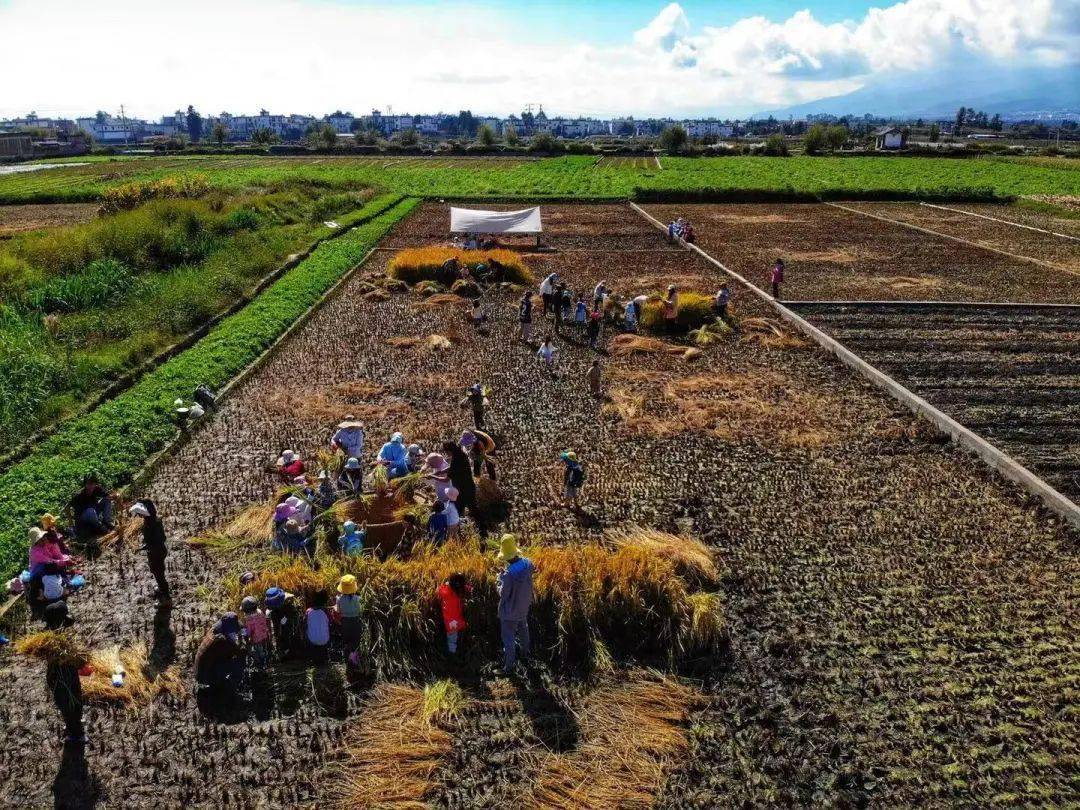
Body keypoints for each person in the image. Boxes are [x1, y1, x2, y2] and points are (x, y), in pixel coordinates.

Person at [43, 601, 85, 744]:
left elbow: (78, 660)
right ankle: (74, 727)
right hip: (63, 677)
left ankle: (76, 734)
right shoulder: (52, 642)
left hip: (63, 678)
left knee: (69, 704)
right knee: (71, 702)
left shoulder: (59, 640)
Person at [496, 534, 534, 676]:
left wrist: (499, 580)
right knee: (524, 629)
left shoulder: (508, 575)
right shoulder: (528, 563)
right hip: (523, 606)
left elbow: (503, 594)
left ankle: (508, 667)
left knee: (508, 638)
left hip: (509, 611)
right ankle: (525, 654)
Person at [129, 499, 170, 605]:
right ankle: (161, 589)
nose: (139, 516)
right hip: (157, 551)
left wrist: (145, 547)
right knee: (156, 572)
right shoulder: (152, 520)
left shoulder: (152, 524)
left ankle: (166, 598)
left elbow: (158, 539)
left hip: (157, 552)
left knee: (159, 574)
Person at [194, 613, 244, 697]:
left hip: (200, 670)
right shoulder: (220, 641)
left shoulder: (214, 631)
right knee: (238, 662)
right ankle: (229, 686)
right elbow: (235, 652)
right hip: (205, 676)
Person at [441, 441, 478, 526]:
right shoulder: (461, 454)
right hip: (468, 486)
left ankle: (459, 528)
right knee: (473, 508)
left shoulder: (456, 459)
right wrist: (440, 471)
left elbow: (446, 479)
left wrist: (433, 476)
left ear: (450, 450)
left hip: (462, 490)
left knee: (459, 510)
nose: (446, 454)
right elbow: (452, 468)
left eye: (446, 452)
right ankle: (478, 526)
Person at [69, 474, 113, 541]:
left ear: (95, 484)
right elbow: (68, 507)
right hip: (83, 517)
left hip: (94, 512)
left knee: (106, 500)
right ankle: (98, 527)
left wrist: (115, 496)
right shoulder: (79, 495)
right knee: (90, 510)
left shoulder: (97, 489)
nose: (91, 486)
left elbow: (108, 496)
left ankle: (107, 522)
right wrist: (71, 522)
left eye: (92, 484)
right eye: (88, 484)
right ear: (85, 484)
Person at [437, 573, 471, 657]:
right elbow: (467, 588)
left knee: (452, 638)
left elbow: (439, 591)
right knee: (454, 637)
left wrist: (445, 584)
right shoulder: (458, 591)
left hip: (451, 620)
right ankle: (454, 655)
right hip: (456, 619)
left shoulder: (446, 591)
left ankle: (453, 654)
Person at [265, 587, 302, 660]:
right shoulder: (275, 609)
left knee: (285, 633)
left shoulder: (287, 606)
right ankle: (285, 650)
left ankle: (285, 650)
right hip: (279, 618)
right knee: (281, 633)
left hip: (284, 618)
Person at [240, 596, 271, 669]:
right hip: (265, 635)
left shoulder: (249, 620)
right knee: (265, 649)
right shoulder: (260, 612)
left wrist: (245, 637)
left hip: (257, 639)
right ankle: (267, 661)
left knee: (259, 652)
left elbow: (248, 632)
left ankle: (261, 666)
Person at [335, 575, 363, 651]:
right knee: (355, 640)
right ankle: (354, 655)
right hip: (356, 621)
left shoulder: (339, 599)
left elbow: (338, 611)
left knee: (346, 639)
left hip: (345, 621)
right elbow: (361, 610)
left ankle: (347, 654)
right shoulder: (358, 599)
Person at [306, 592, 331, 664]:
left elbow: (305, 624)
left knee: (311, 633)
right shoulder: (325, 611)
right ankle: (324, 658)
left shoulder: (308, 611)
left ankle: (314, 658)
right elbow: (330, 622)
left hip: (312, 639)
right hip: (324, 639)